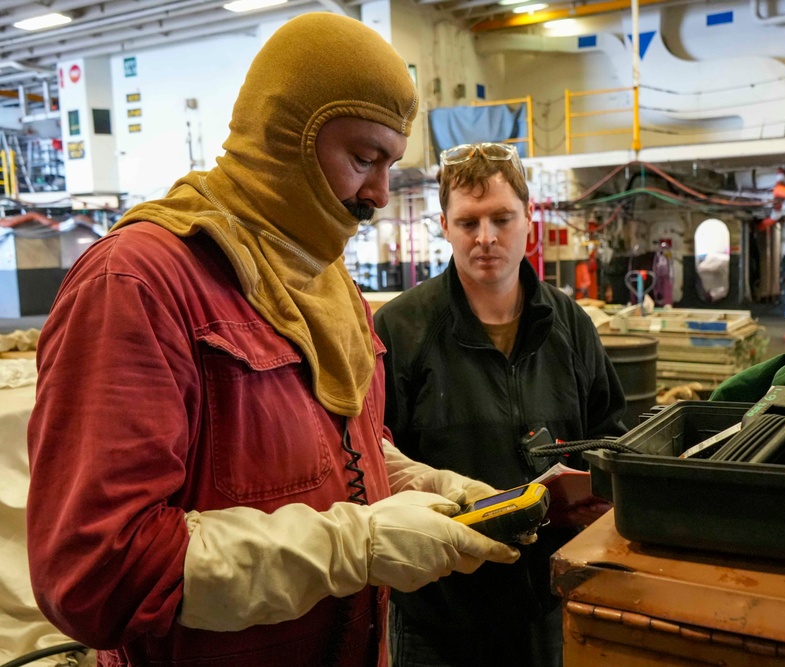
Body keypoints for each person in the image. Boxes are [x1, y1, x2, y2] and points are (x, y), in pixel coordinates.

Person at [25, 14, 521, 667]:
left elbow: (343, 446)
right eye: (364, 158)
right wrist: (356, 546)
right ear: (288, 137)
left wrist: (417, 483)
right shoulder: (139, 283)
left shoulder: (329, 283)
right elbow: (95, 572)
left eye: (390, 164)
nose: (377, 192)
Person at [373, 142, 628, 667]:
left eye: (501, 218)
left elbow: (611, 434)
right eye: (468, 222)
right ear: (444, 224)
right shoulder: (400, 329)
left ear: (528, 219)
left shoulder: (572, 326)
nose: (486, 238)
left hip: (547, 605)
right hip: (437, 615)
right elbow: (373, 457)